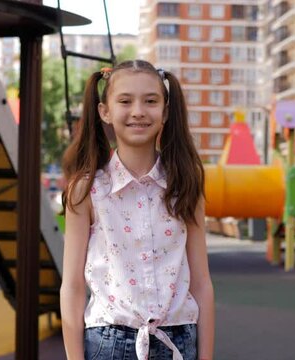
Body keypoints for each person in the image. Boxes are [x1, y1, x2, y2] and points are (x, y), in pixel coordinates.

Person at [60, 60, 215, 360]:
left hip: (179, 340)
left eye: (150, 101)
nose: (138, 111)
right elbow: (73, 285)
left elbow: (201, 282)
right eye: (125, 101)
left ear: (166, 111)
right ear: (105, 111)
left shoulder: (186, 184)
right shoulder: (88, 189)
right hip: (109, 342)